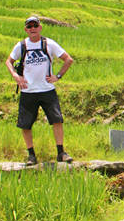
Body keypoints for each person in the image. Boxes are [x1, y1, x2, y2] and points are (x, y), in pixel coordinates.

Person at [6, 15, 74, 165]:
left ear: (40, 27)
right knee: (25, 124)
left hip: (47, 89)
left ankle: (61, 152)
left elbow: (68, 59)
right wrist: (16, 76)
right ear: (26, 29)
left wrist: (58, 76)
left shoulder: (49, 44)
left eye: (35, 26)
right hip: (28, 91)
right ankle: (31, 155)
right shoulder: (21, 46)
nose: (32, 29)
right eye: (29, 27)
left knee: (57, 120)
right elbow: (9, 61)